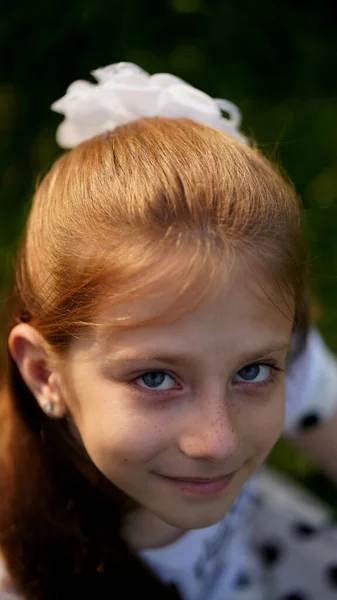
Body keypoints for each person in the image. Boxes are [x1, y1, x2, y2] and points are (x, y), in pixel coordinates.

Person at [0, 63, 337, 600]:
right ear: (46, 375)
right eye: (155, 378)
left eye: (252, 371)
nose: (218, 443)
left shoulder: (284, 358)